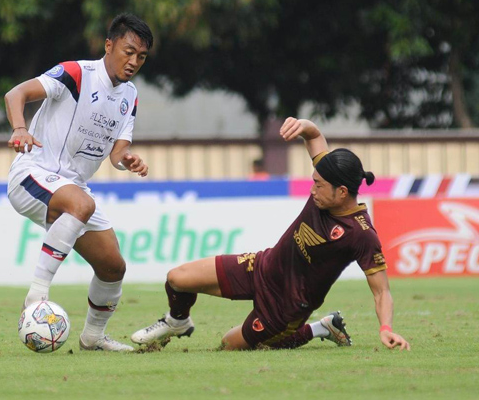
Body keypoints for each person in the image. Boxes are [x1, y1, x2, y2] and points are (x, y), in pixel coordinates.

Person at [132, 117, 410, 351]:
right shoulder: (328, 177)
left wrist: (386, 328)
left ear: (342, 192)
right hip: (262, 267)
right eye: (313, 182)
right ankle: (177, 321)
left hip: (287, 305)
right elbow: (314, 136)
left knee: (228, 344)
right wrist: (303, 125)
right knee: (177, 278)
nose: (312, 190)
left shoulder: (361, 234)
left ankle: (319, 328)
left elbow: (382, 291)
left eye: (319, 186)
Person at [6, 13, 154, 352]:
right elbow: (15, 94)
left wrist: (126, 159)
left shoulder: (129, 95)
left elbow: (118, 151)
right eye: (128, 51)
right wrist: (19, 129)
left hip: (72, 189)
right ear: (109, 45)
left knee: (113, 266)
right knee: (82, 204)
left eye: (141, 57)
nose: (133, 62)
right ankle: (37, 294)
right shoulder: (76, 73)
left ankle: (93, 337)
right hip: (31, 172)